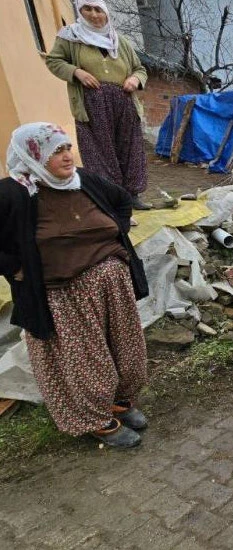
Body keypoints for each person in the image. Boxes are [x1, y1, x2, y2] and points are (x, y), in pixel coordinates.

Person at [0, 122, 150, 448]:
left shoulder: (85, 182)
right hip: (60, 295)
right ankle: (96, 420)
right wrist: (15, 268)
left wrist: (119, 237)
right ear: (32, 156)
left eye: (67, 147)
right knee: (85, 362)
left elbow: (123, 201)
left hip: (111, 286)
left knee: (127, 352)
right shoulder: (13, 192)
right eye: (56, 151)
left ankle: (120, 402)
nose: (67, 156)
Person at [45, 0, 151, 210]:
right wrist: (77, 72)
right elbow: (54, 61)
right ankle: (109, 197)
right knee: (100, 151)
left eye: (98, 10)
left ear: (106, 14)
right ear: (80, 11)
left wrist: (135, 80)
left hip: (123, 100)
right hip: (91, 102)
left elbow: (140, 68)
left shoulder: (120, 41)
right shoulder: (70, 37)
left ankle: (132, 195)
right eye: (88, 9)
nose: (94, 15)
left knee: (130, 148)